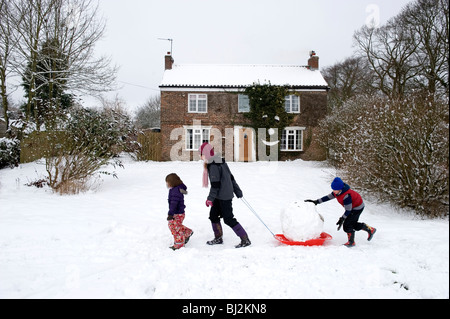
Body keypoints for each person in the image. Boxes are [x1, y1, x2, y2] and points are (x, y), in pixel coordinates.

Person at [199, 142, 251, 248]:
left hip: (224, 196)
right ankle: (218, 238)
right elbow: (231, 177)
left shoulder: (213, 164)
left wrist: (210, 199)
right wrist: (237, 191)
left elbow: (216, 185)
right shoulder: (219, 161)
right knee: (213, 216)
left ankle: (245, 239)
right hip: (220, 195)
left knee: (228, 219)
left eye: (201, 154)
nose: (200, 156)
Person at [305, 177, 376, 248]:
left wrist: (342, 218)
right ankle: (370, 229)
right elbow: (328, 197)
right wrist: (316, 201)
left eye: (335, 190)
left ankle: (351, 242)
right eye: (333, 189)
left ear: (340, 189)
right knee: (351, 224)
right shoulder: (337, 192)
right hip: (352, 208)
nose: (334, 191)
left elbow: (348, 210)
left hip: (357, 208)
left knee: (347, 225)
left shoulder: (346, 196)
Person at [166, 173, 193, 250]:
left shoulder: (175, 191)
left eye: (167, 182)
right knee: (175, 225)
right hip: (179, 212)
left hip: (177, 213)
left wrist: (170, 214)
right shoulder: (177, 189)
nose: (167, 184)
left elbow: (174, 203)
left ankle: (179, 244)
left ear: (172, 182)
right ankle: (187, 232)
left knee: (175, 227)